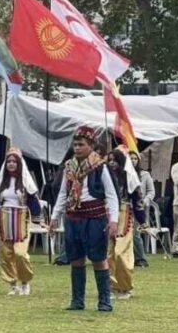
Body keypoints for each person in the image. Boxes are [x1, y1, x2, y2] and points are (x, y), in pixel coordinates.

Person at [49, 126, 119, 313]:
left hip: (95, 217)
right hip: (73, 217)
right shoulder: (69, 168)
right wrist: (55, 216)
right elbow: (63, 194)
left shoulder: (100, 166)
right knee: (76, 258)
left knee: (98, 258)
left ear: (91, 146)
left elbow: (111, 194)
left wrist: (113, 220)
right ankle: (77, 300)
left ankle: (104, 301)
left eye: (81, 145)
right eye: (75, 145)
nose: (77, 148)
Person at [0, 149, 42, 295]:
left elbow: (33, 202)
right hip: (4, 221)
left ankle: (25, 281)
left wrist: (39, 219)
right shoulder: (2, 183)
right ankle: (12, 284)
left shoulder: (25, 183)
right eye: (8, 161)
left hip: (21, 220)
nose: (11, 164)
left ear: (19, 164)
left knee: (20, 253)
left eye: (14, 162)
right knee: (6, 254)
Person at [106, 148, 147, 300]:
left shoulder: (129, 178)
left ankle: (124, 287)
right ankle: (111, 287)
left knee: (120, 253)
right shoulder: (105, 176)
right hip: (107, 214)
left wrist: (142, 220)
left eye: (115, 160)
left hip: (124, 214)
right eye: (109, 160)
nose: (112, 163)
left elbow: (137, 200)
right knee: (109, 254)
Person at [128, 150, 155, 267]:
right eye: (131, 158)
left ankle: (140, 258)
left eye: (135, 159)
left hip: (139, 207)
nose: (133, 161)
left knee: (135, 233)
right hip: (125, 206)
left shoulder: (145, 174)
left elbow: (151, 191)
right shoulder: (123, 174)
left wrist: (146, 200)